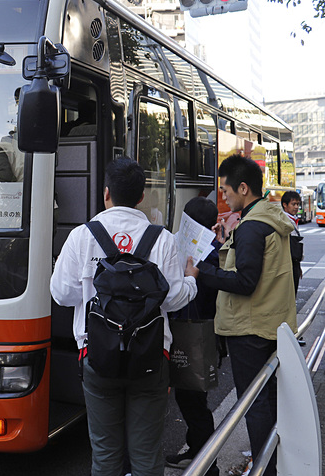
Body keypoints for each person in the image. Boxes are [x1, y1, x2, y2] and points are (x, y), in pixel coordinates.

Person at [50, 157, 197, 476]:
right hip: (151, 358)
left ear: (106, 194)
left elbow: (61, 294)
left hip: (97, 356)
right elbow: (172, 299)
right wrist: (192, 281)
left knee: (105, 453)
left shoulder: (81, 236)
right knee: (146, 455)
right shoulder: (162, 239)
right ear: (142, 197)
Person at [186, 154, 297, 476]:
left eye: (226, 190)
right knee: (267, 398)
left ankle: (264, 468)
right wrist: (225, 247)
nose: (224, 196)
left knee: (254, 403)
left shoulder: (251, 228)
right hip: (269, 321)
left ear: (244, 188)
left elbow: (245, 282)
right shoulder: (270, 219)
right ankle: (271, 461)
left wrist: (201, 270)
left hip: (249, 328)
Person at [165, 197, 220, 476]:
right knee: (193, 398)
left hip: (192, 333)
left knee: (192, 399)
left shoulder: (192, 252)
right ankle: (197, 450)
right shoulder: (215, 249)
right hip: (206, 331)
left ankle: (206, 461)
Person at [280, 190, 303, 294]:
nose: (296, 207)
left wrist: (299, 267)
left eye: (298, 204)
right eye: (293, 204)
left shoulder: (292, 219)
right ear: (285, 205)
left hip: (294, 263)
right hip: (288, 264)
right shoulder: (284, 220)